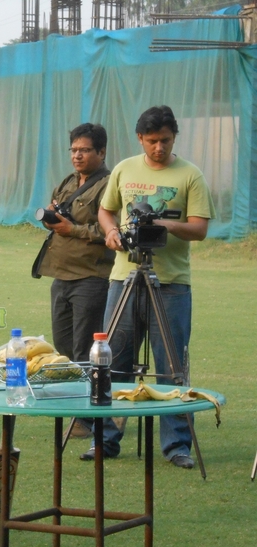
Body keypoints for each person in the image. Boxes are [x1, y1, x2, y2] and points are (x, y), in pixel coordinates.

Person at [81, 105, 215, 468]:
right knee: (113, 362)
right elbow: (106, 210)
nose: (159, 148)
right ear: (140, 138)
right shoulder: (124, 168)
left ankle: (177, 446)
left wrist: (165, 226)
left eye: (166, 141)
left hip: (171, 283)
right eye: (152, 141)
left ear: (175, 137)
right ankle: (104, 439)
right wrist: (110, 231)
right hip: (123, 278)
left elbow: (200, 228)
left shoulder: (190, 174)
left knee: (171, 365)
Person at [37, 123, 114, 439]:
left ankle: (89, 417)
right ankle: (73, 406)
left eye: (84, 150)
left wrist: (74, 230)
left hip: (91, 277)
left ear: (101, 152)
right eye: (74, 150)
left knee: (86, 349)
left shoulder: (109, 185)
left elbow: (110, 232)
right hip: (61, 276)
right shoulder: (68, 182)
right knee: (64, 349)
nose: (77, 156)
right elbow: (59, 223)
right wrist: (53, 218)